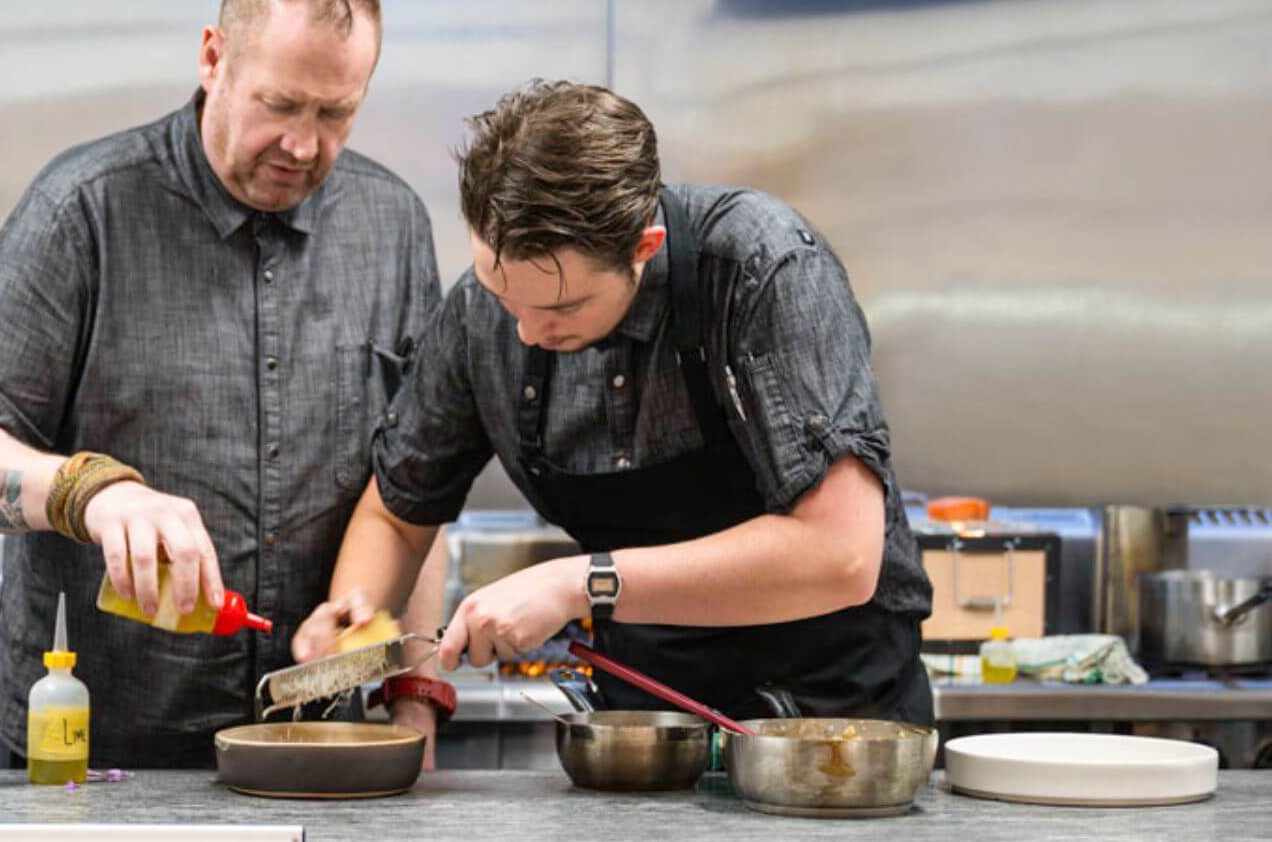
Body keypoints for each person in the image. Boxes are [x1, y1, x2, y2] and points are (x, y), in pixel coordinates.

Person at [0, 0, 447, 768]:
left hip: (315, 758)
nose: (303, 144)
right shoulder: (86, 209)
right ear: (213, 57)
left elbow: (415, 491)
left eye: (337, 112)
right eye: (278, 104)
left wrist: (414, 703)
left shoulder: (394, 228)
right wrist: (93, 494)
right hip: (84, 766)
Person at [296, 79, 934, 725]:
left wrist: (581, 582)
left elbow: (842, 555)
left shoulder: (761, 268)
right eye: (501, 293)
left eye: (562, 307)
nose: (525, 332)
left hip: (833, 725)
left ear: (643, 248)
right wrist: (355, 618)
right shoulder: (479, 317)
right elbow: (398, 513)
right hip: (648, 730)